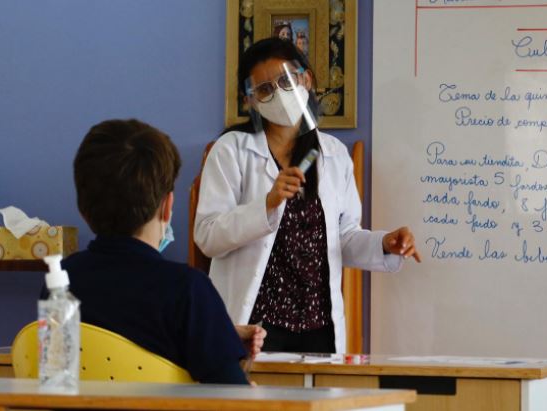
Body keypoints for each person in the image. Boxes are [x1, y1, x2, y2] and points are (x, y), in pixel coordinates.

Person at [194, 38, 421, 354]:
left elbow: (342, 239)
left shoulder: (333, 154)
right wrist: (266, 204)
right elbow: (207, 237)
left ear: (307, 79)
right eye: (264, 89)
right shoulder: (232, 150)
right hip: (255, 328)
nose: (279, 94)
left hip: (319, 328)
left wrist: (384, 243)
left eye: (286, 80)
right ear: (251, 101)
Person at [41, 119, 264, 384]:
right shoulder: (188, 291)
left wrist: (220, 333)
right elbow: (233, 399)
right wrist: (220, 342)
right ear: (167, 207)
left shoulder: (60, 284)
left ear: (82, 208)